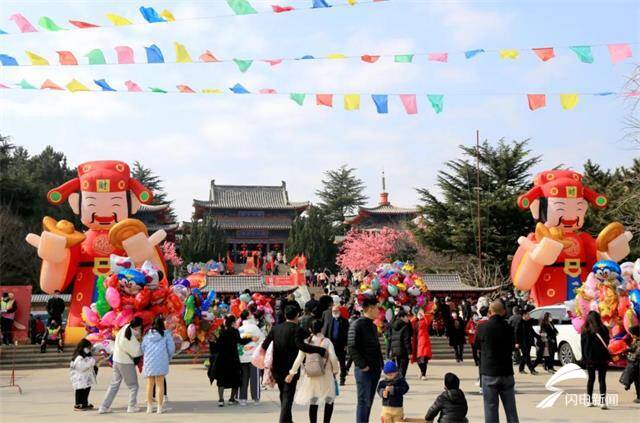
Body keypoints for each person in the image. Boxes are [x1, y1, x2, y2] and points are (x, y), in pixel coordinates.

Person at [262, 305, 327, 423]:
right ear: (297, 315)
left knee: (283, 394)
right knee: (287, 397)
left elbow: (264, 346)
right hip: (291, 369)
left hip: (276, 368)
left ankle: (288, 420)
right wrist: (320, 350)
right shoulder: (298, 329)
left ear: (285, 315)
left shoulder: (275, 328)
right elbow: (302, 346)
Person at [286, 319, 340, 423]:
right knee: (329, 399)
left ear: (310, 329)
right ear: (322, 328)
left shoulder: (306, 342)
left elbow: (299, 359)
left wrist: (291, 373)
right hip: (326, 374)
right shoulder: (327, 341)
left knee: (313, 401)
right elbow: (333, 357)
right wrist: (335, 370)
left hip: (311, 375)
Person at [474, 300, 519, 423]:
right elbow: (512, 347)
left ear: (490, 312)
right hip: (506, 372)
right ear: (504, 312)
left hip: (489, 373)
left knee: (490, 410)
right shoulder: (508, 327)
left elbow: (476, 346)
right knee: (511, 410)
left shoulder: (482, 327)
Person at [347, 295, 384, 423]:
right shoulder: (357, 324)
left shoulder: (373, 326)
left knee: (369, 401)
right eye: (377, 308)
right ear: (369, 309)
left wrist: (381, 364)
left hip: (375, 368)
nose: (379, 311)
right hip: (364, 370)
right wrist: (362, 365)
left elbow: (377, 347)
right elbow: (352, 347)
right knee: (363, 401)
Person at [99, 317, 143, 414]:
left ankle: (104, 406)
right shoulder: (130, 337)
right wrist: (140, 342)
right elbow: (136, 352)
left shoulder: (125, 328)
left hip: (116, 360)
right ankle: (131, 406)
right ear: (138, 326)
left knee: (114, 385)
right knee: (133, 386)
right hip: (125, 362)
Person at [209, 314, 250, 407]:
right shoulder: (235, 332)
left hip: (222, 359)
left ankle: (221, 399)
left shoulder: (222, 332)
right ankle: (231, 399)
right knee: (235, 379)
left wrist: (212, 341)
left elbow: (217, 346)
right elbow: (241, 341)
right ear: (232, 323)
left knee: (221, 380)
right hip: (233, 359)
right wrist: (251, 338)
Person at [141, 316, 175, 414]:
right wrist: (168, 356)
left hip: (149, 362)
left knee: (149, 384)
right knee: (160, 384)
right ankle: (160, 408)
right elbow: (171, 348)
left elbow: (142, 348)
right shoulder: (166, 335)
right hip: (161, 361)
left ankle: (149, 408)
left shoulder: (147, 335)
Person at [580, 310, 610, 408]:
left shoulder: (585, 330)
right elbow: (607, 342)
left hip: (590, 358)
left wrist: (584, 358)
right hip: (602, 358)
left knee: (591, 379)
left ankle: (589, 401)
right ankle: (603, 402)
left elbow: (583, 345)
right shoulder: (604, 329)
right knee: (602, 380)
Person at [238, 310, 266, 405]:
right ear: (249, 316)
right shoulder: (255, 328)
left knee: (243, 377)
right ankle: (256, 398)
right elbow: (262, 341)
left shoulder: (240, 329)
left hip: (242, 356)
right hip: (254, 356)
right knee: (255, 378)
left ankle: (242, 398)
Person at [322, 305, 349, 385]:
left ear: (339, 312)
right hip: (331, 345)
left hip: (341, 345)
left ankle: (342, 378)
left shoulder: (344, 321)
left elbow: (346, 334)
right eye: (333, 311)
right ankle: (331, 378)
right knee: (330, 362)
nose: (335, 313)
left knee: (342, 363)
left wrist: (346, 345)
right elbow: (326, 332)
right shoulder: (330, 321)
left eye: (336, 311)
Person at [70, 338, 100, 411]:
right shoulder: (78, 357)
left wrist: (95, 361)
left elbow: (88, 362)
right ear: (83, 347)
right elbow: (82, 367)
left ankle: (84, 403)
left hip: (85, 377)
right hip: (80, 378)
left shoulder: (84, 355)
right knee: (80, 390)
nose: (89, 349)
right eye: (88, 348)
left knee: (86, 390)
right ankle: (78, 404)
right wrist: (93, 361)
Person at [515, 307, 539, 375]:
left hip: (528, 341)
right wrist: (517, 342)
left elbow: (532, 331)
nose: (529, 316)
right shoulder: (519, 323)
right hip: (522, 343)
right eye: (528, 314)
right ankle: (532, 370)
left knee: (525, 356)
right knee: (527, 356)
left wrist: (538, 336)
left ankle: (521, 369)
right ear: (524, 315)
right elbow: (516, 333)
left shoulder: (528, 322)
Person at [389, 310, 412, 378]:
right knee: (403, 369)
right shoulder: (405, 326)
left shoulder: (393, 325)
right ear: (402, 317)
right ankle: (400, 383)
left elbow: (390, 338)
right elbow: (407, 340)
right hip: (403, 350)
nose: (408, 318)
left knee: (399, 367)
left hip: (395, 350)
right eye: (407, 316)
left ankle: (398, 382)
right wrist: (409, 352)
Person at [620, 325, 640, 403]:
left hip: (637, 364)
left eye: (632, 334)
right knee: (636, 380)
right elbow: (632, 349)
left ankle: (628, 384)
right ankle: (628, 384)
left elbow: (637, 354)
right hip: (635, 364)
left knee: (638, 381)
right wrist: (627, 350)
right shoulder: (635, 340)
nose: (631, 335)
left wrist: (628, 354)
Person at [411, 309, 432, 380]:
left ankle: (424, 374)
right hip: (416, 342)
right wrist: (415, 317)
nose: (419, 315)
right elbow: (411, 323)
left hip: (423, 342)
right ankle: (422, 372)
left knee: (423, 359)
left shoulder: (425, 321)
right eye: (418, 314)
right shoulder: (415, 322)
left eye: (421, 314)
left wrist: (424, 315)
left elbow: (428, 321)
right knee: (418, 359)